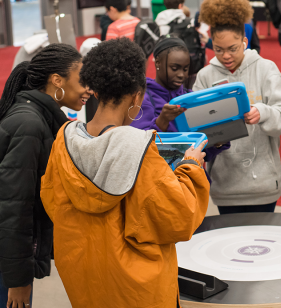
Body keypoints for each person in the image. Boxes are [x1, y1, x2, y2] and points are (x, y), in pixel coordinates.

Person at [40, 38, 210, 307]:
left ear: (94, 91)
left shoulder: (63, 140)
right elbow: (179, 217)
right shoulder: (139, 150)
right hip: (137, 290)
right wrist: (191, 167)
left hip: (84, 277)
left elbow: (52, 202)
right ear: (137, 96)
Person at [0, 44, 92, 308]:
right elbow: (14, 209)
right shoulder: (29, 125)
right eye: (82, 80)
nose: (89, 89)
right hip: (4, 253)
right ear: (57, 81)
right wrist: (17, 281)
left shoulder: (38, 117)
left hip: (7, 249)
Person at [194, 0, 281, 214]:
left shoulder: (266, 68)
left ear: (245, 41)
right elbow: (196, 127)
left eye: (232, 49)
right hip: (225, 184)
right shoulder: (205, 76)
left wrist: (263, 112)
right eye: (218, 50)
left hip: (263, 183)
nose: (225, 56)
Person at [129, 36, 230, 160]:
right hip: (159, 176)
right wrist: (162, 121)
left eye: (186, 69)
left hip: (190, 174)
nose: (181, 75)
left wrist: (218, 141)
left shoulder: (191, 97)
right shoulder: (143, 98)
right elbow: (137, 148)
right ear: (158, 63)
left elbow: (204, 153)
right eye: (174, 68)